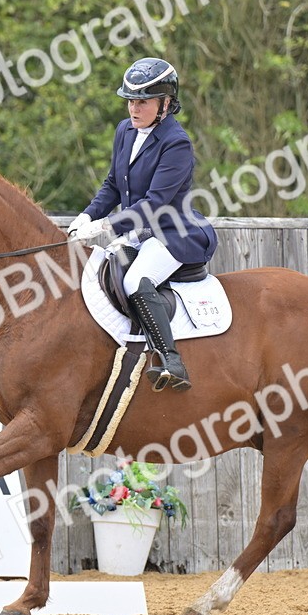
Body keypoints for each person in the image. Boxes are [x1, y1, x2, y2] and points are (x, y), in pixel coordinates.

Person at [68, 57, 218, 392]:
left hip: (172, 232)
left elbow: (154, 204)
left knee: (136, 280)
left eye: (143, 102)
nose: (134, 109)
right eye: (131, 101)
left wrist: (106, 227)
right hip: (137, 230)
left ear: (165, 104)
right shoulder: (125, 131)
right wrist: (88, 215)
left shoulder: (176, 143)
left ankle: (171, 360)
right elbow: (112, 185)